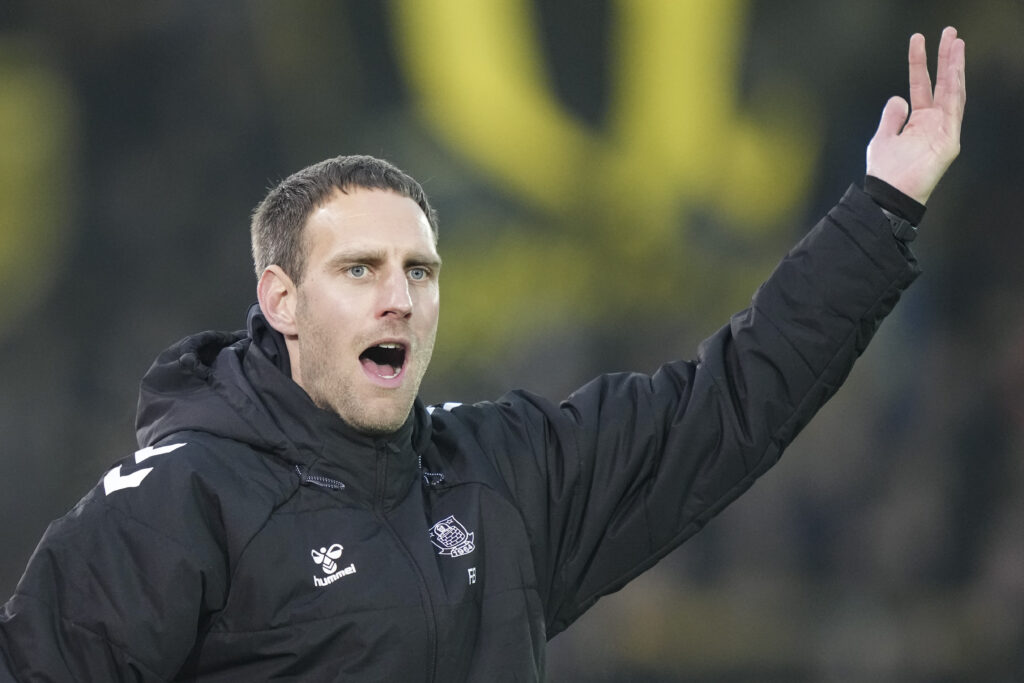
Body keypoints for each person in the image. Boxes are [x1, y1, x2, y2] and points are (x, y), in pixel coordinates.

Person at [0, 27, 965, 682]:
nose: (399, 296)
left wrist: (879, 210)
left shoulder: (499, 473)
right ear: (280, 300)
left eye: (420, 269)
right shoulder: (180, 501)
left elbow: (728, 402)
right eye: (361, 268)